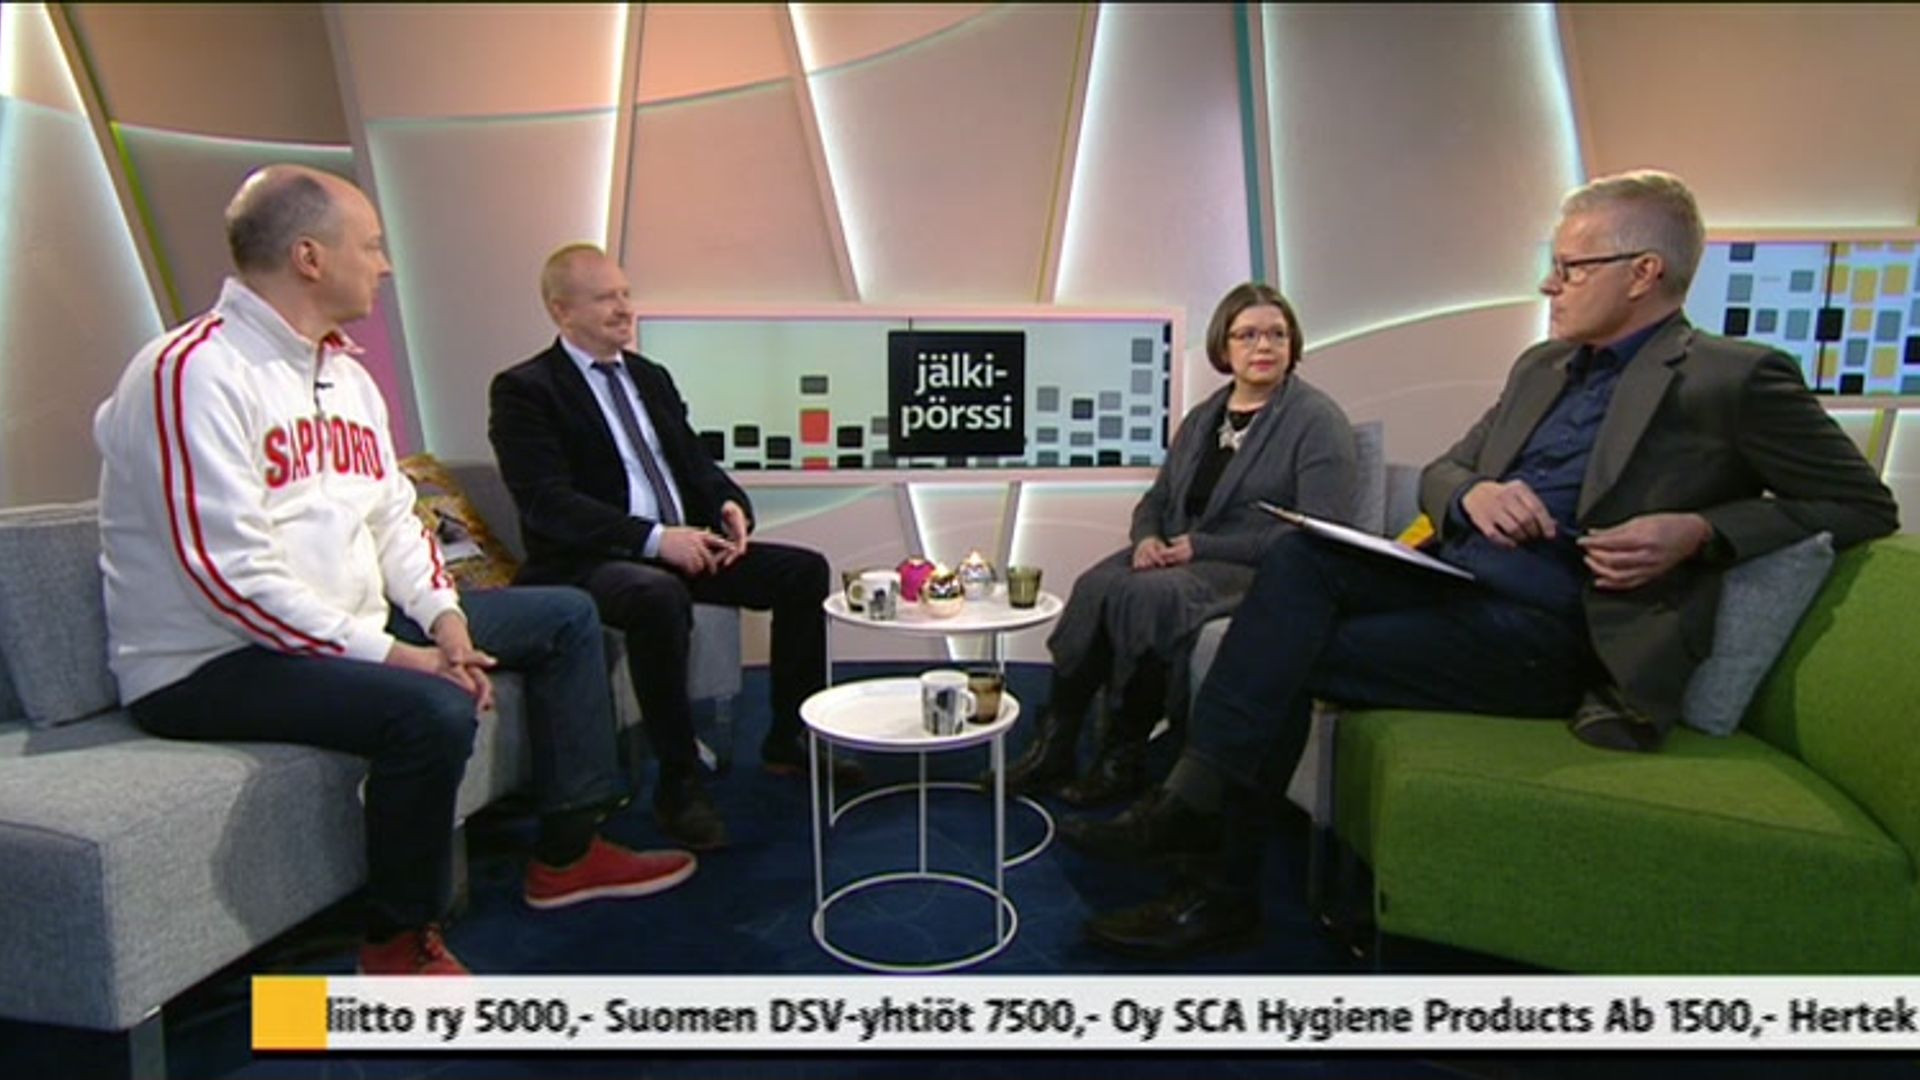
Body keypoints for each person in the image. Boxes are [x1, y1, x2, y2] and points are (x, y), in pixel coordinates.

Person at [1066, 169, 1900, 958]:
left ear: (1644, 272)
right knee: (1300, 559)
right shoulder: (1541, 366)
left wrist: (1701, 531)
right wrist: (1473, 496)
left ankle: (1206, 858)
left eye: (1570, 267)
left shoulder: (1735, 378)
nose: (1549, 285)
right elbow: (1447, 469)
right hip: (1453, 584)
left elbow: (1861, 503)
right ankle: (1199, 832)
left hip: (1551, 633)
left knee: (1275, 649)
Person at [94, 165, 695, 977]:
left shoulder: (345, 375)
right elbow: (227, 579)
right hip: (213, 660)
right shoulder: (191, 372)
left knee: (563, 615)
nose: (385, 265)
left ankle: (567, 852)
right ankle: (396, 945)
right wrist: (400, 657)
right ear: (310, 257)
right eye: (371, 246)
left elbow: (394, 518)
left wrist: (444, 617)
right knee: (430, 710)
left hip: (344, 623)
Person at [489, 244, 850, 853]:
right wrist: (656, 540)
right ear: (561, 309)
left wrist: (729, 504)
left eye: (625, 294)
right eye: (605, 298)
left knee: (803, 572)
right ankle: (679, 782)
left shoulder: (649, 377)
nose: (624, 308)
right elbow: (546, 503)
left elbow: (693, 463)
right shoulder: (525, 390)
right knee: (655, 594)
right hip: (593, 562)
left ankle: (788, 738)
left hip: (683, 543)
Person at [1002, 283, 1359, 808]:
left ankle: (1121, 757)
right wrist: (1146, 538)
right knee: (1095, 585)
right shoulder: (1204, 417)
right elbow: (1157, 499)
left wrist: (1205, 546)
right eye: (1248, 335)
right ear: (1224, 347)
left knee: (1152, 597)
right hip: (1176, 550)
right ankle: (1055, 744)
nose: (1264, 346)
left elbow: (1321, 531)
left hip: (1256, 564)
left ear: (1293, 344)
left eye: (1277, 335)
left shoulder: (1316, 420)